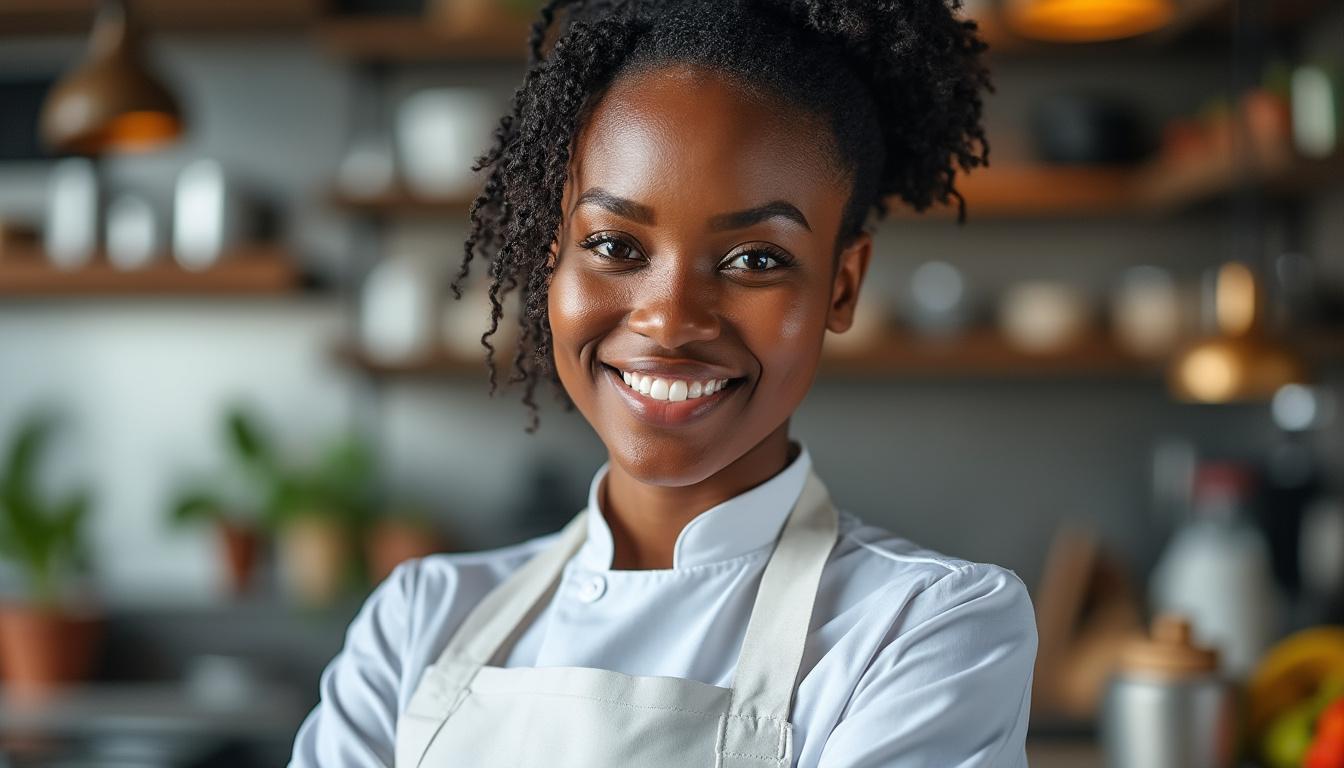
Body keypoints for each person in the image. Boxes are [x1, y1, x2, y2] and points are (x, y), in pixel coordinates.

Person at [289, 0, 1037, 765]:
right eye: (614, 244)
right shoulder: (419, 623)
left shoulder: (927, 627)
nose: (671, 320)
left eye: (756, 259)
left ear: (841, 288)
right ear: (553, 263)